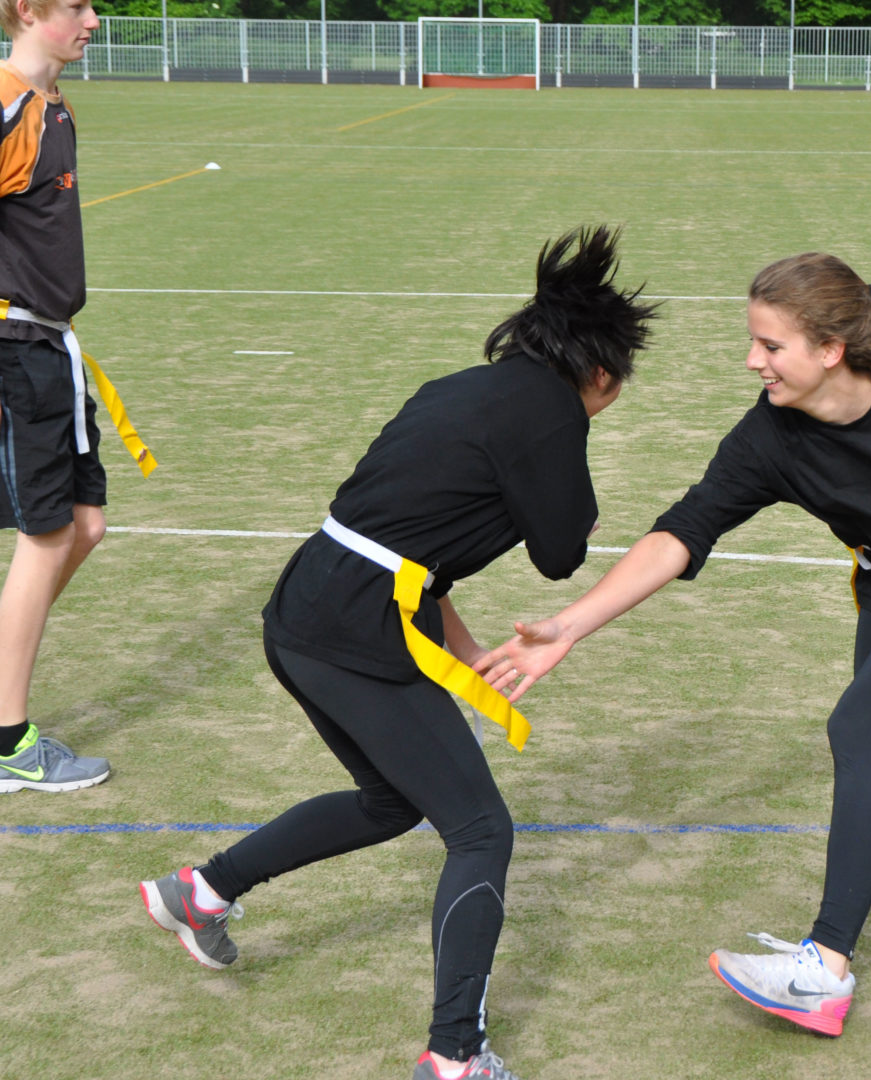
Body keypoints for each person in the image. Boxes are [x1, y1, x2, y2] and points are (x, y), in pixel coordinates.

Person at [477, 253, 871, 1038]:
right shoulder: (769, 436)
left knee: (858, 731)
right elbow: (684, 532)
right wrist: (569, 626)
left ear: (830, 350)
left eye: (770, 345)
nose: (754, 360)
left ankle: (823, 966)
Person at [139, 226, 658, 1080]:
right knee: (480, 830)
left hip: (305, 605)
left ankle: (198, 893)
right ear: (600, 372)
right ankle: (456, 1054)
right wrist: (578, 502)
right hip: (354, 628)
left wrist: (468, 656)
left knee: (389, 800)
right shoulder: (553, 413)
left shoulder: (460, 389)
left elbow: (414, 546)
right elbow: (562, 551)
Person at [0, 0, 114, 794]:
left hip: (51, 348)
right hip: (15, 351)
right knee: (46, 538)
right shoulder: (8, 107)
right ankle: (8, 742)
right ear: (30, 10)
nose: (95, 21)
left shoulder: (53, 105)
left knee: (85, 527)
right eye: (77, 6)